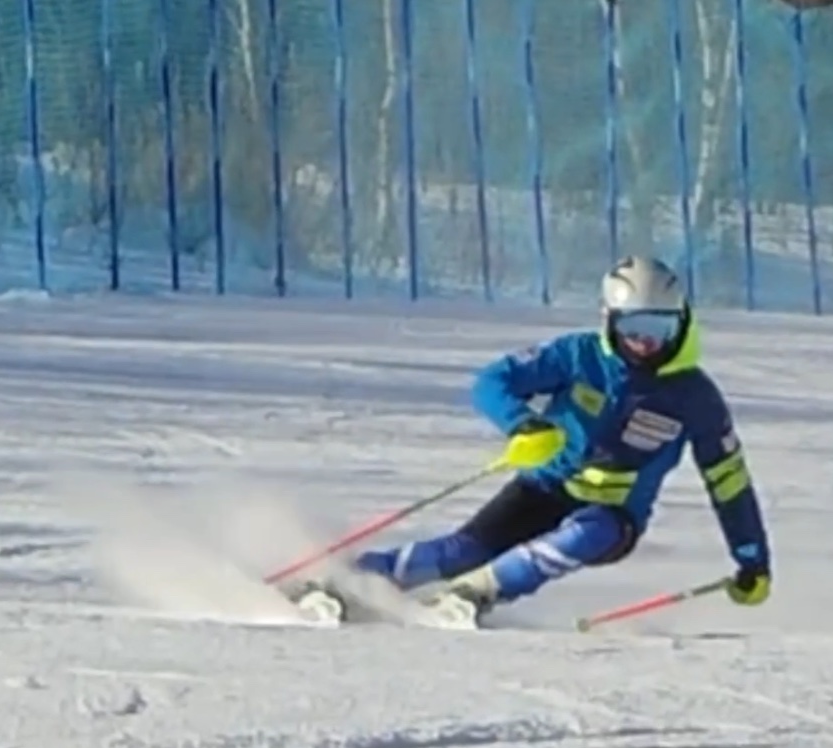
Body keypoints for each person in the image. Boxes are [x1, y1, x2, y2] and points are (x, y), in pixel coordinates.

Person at [292, 255, 773, 627]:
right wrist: (521, 423)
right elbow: (493, 380)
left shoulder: (695, 395)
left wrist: (752, 559)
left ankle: (475, 593)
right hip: (543, 486)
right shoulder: (577, 355)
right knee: (462, 551)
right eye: (634, 329)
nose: (646, 344)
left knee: (590, 531)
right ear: (609, 320)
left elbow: (728, 482)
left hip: (614, 516)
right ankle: (339, 581)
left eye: (660, 328)